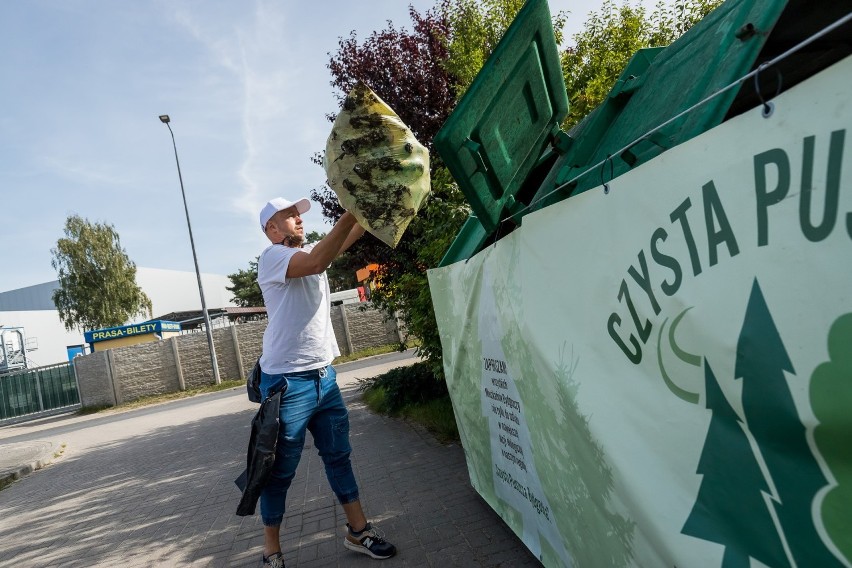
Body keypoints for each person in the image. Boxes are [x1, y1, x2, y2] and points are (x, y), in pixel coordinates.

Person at [255, 197, 396, 568]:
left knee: (338, 457)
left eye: (299, 215)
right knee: (279, 469)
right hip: (287, 383)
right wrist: (348, 212)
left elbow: (345, 237)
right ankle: (272, 551)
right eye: (289, 216)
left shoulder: (310, 253)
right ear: (271, 229)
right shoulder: (272, 258)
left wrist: (369, 200)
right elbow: (319, 259)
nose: (298, 220)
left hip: (324, 376)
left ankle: (358, 532)